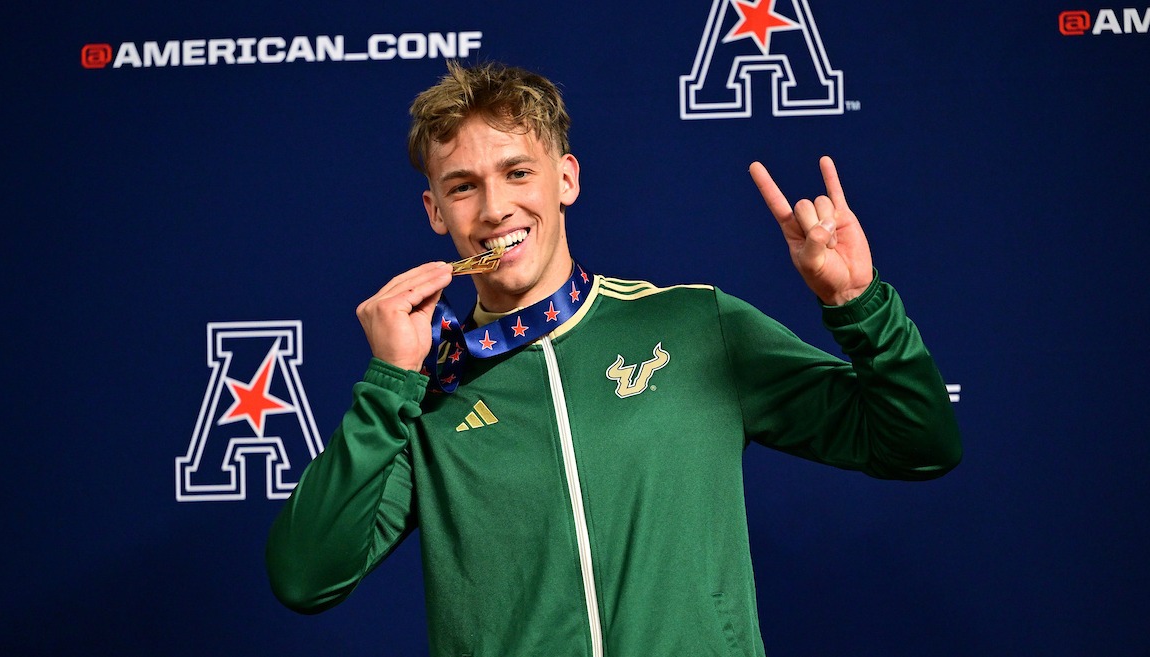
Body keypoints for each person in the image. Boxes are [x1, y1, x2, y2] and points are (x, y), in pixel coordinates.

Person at [266, 61, 961, 656]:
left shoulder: (691, 323)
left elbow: (919, 444)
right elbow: (304, 576)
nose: (496, 207)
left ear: (564, 179)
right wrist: (390, 381)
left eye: (517, 173)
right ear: (435, 212)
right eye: (463, 186)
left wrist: (860, 305)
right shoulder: (429, 389)